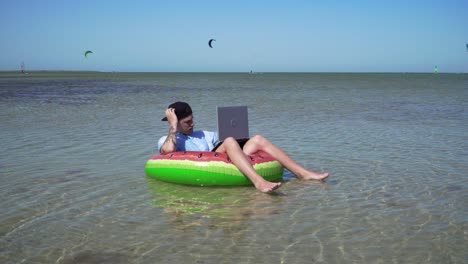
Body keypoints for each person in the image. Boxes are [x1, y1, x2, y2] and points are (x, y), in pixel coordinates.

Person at [158, 101, 329, 193]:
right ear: (176, 122)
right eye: (188, 122)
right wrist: (172, 126)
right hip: (205, 165)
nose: (193, 124)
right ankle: (259, 182)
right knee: (230, 141)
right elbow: (168, 151)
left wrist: (240, 137)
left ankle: (302, 174)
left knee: (257, 139)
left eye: (193, 119)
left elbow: (226, 140)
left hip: (220, 157)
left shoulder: (204, 134)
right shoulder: (168, 139)